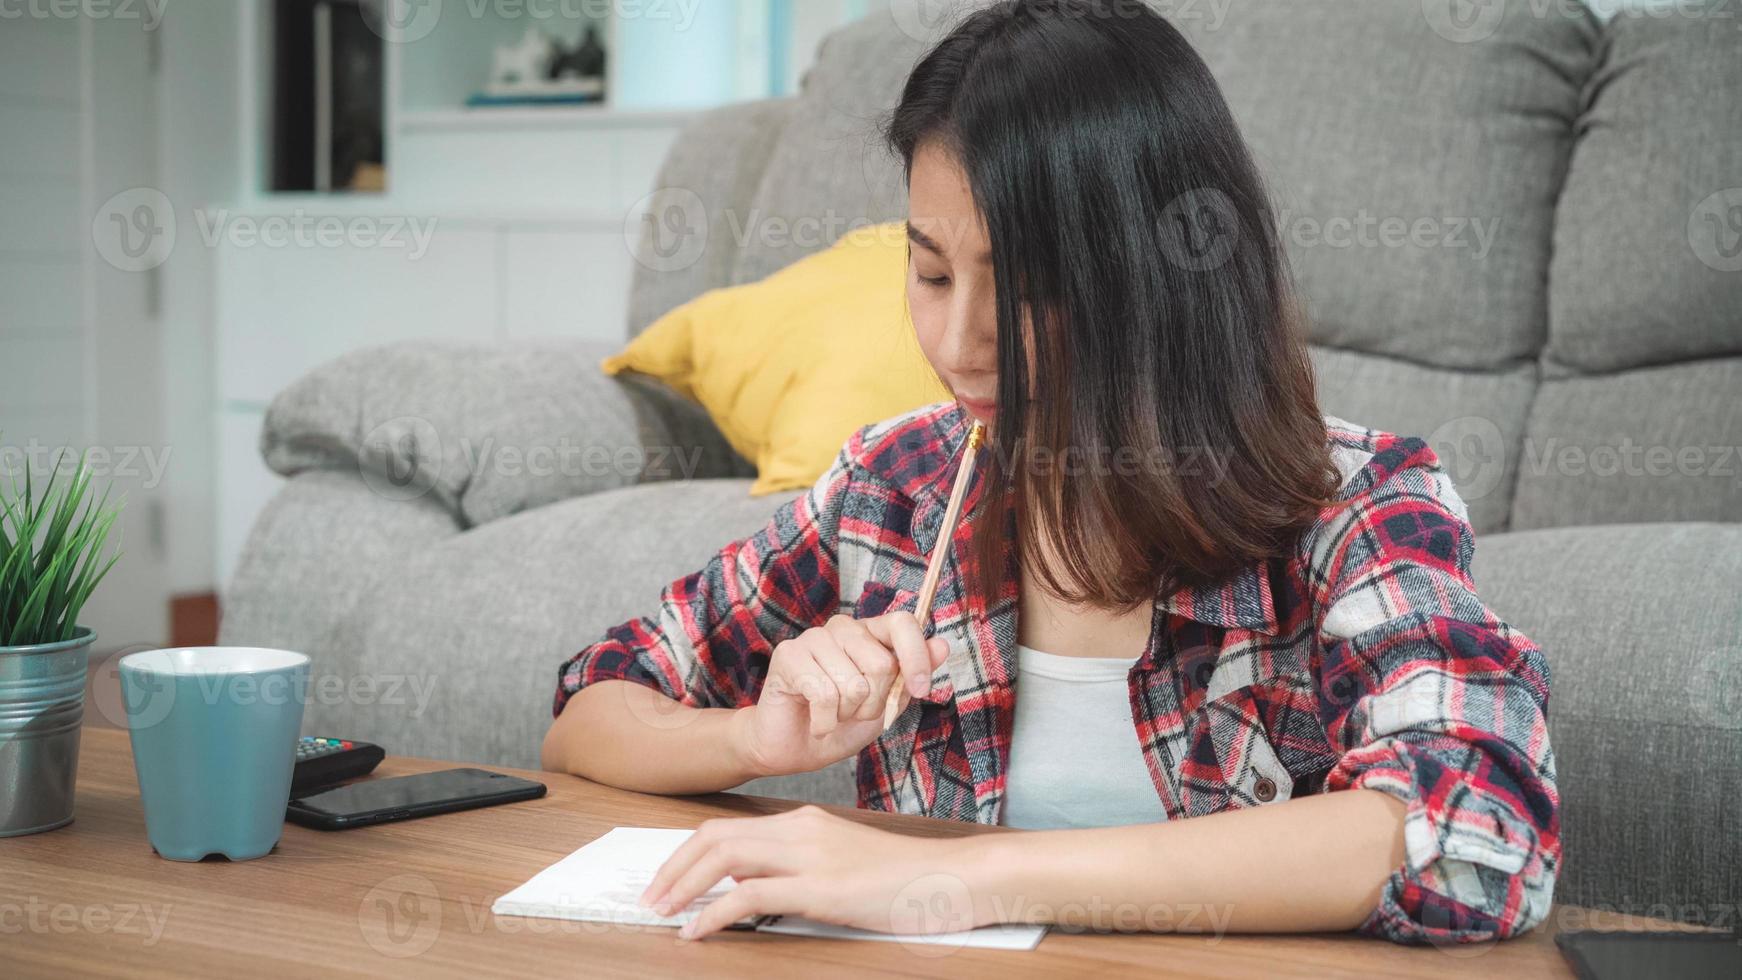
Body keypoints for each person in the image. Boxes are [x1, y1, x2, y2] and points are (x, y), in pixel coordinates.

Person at [541, 0, 1558, 945]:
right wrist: (756, 741)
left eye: (1025, 286)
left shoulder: (1349, 505)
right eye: (930, 270)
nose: (959, 338)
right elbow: (593, 706)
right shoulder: (889, 488)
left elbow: (1474, 834)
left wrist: (959, 878)